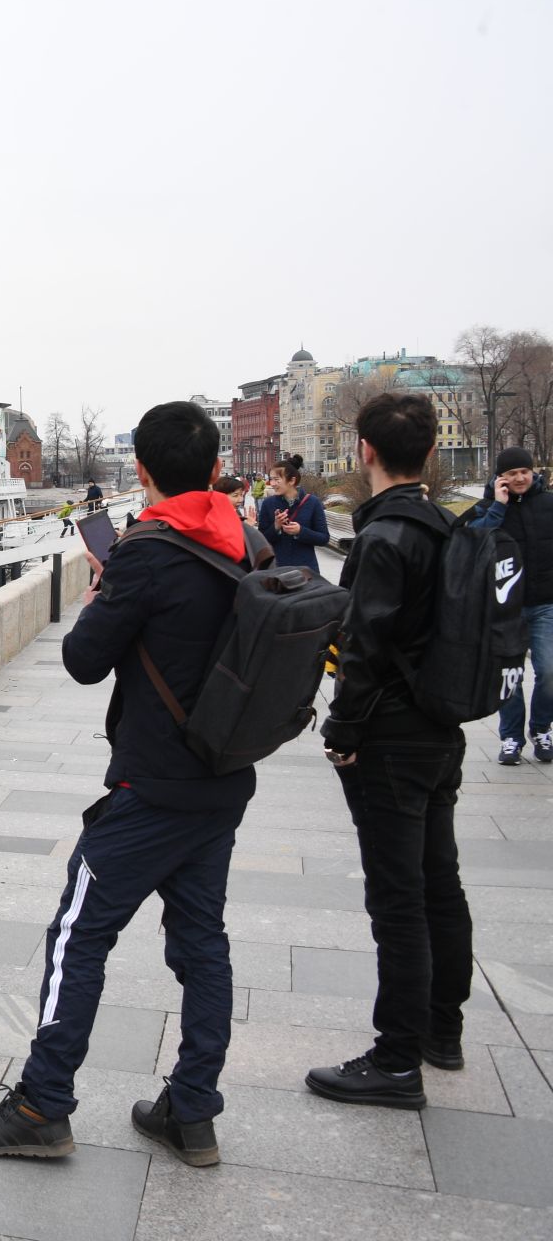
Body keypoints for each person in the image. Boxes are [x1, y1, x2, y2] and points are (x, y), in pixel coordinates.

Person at [0, 400, 254, 1168]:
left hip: (151, 786)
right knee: (202, 945)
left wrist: (103, 591)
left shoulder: (146, 552)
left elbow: (86, 660)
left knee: (78, 936)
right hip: (222, 780)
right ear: (216, 470)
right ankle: (192, 1110)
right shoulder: (245, 541)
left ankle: (42, 1105)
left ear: (143, 472)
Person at [307, 392, 473, 1108]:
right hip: (442, 728)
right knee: (441, 882)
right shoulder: (448, 528)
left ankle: (396, 1060)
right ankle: (442, 1030)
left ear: (365, 452)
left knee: (397, 897)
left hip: (393, 737)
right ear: (431, 454)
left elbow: (364, 650)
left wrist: (342, 734)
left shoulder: (383, 538)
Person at [471, 447, 553, 765]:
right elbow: (471, 544)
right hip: (504, 607)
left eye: (524, 472)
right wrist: (497, 507)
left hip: (545, 604)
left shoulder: (548, 504)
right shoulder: (489, 508)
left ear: (533, 473)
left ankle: (542, 728)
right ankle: (511, 738)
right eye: (512, 473)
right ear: (500, 478)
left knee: (548, 671)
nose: (520, 478)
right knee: (510, 676)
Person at [257, 455, 329, 571]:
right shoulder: (268, 504)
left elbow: (324, 538)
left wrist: (300, 531)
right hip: (277, 570)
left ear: (292, 480)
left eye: (277, 479)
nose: (272, 483)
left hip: (306, 571)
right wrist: (276, 527)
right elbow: (261, 540)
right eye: (271, 479)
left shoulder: (312, 502)